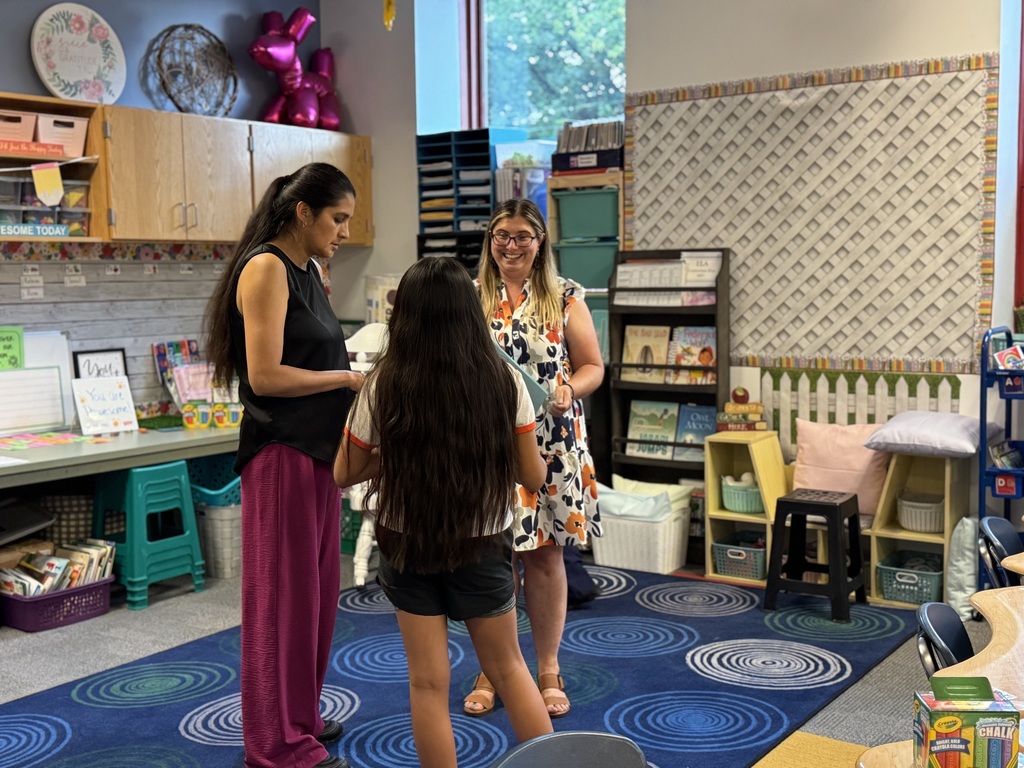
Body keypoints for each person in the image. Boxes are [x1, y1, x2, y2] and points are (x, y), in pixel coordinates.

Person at [334, 256, 554, 768]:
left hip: (406, 541)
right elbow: (533, 477)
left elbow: (345, 471)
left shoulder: (384, 381)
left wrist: (406, 451)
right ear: (469, 312)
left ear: (403, 316)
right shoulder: (502, 378)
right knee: (509, 669)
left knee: (428, 683)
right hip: (482, 541)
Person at [204, 162, 363, 768]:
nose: (344, 231)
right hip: (281, 456)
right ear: (303, 212)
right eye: (337, 218)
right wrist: (346, 377)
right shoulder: (266, 267)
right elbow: (266, 376)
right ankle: (275, 746)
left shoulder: (311, 273)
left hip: (319, 456)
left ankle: (302, 718)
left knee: (316, 601)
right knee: (279, 604)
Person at [464, 198, 605, 719]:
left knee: (545, 556)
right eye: (502, 234)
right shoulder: (471, 297)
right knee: (493, 557)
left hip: (553, 441)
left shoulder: (565, 296)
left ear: (540, 241)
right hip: (490, 446)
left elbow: (592, 365)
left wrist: (571, 386)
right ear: (490, 240)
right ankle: (493, 668)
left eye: (523, 235)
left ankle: (547, 667)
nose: (511, 244)